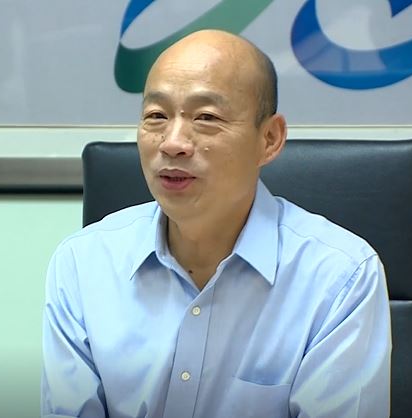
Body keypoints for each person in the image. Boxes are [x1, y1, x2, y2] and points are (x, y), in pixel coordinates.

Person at [41, 29, 391, 418]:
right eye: (156, 116)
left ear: (269, 139)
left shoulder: (339, 277)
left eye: (206, 117)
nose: (172, 143)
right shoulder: (83, 262)